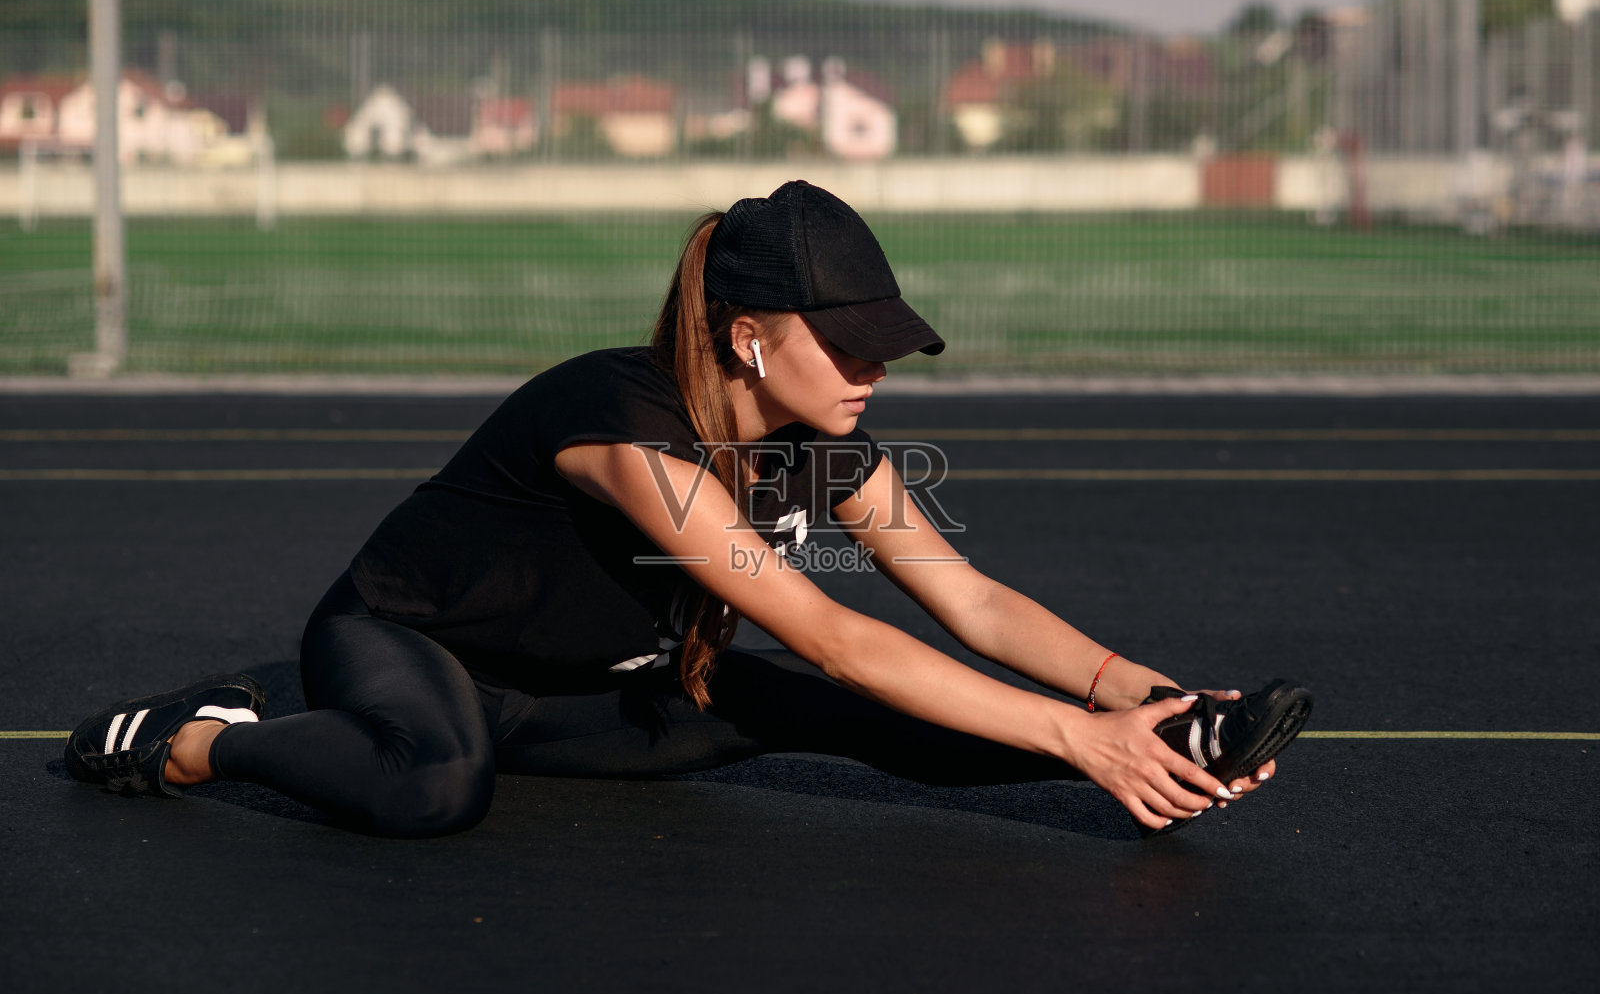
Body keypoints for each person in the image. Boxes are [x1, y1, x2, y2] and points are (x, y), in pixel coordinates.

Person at [64, 181, 1311, 838]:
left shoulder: (828, 449)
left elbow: (971, 604)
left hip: (582, 697)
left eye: (886, 346)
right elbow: (832, 629)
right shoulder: (620, 425)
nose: (875, 369)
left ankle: (1162, 753)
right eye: (850, 344)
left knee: (847, 714)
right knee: (433, 791)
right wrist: (1073, 735)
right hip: (410, 648)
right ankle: (195, 738)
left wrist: (1136, 703)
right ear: (749, 337)